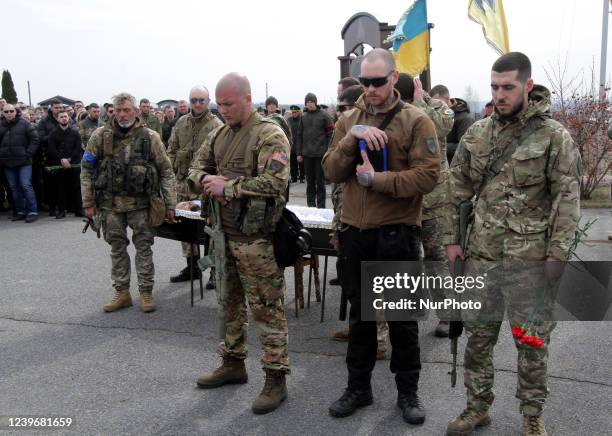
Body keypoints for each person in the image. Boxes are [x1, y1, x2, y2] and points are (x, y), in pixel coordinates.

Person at [443, 52, 581, 436]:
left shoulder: (554, 137)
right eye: (494, 87)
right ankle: (476, 407)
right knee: (478, 339)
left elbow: (566, 200)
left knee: (532, 342)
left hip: (530, 262)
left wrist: (558, 254)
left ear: (528, 86)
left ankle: (532, 416)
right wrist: (453, 241)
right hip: (482, 258)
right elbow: (456, 191)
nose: (500, 95)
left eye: (508, 87)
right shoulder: (477, 133)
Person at [322, 48, 440, 425]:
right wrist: (349, 137)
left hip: (396, 234)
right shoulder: (348, 119)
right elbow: (331, 171)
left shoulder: (416, 121)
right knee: (360, 319)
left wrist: (380, 181)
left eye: (377, 81)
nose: (370, 89)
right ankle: (359, 388)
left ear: (393, 78)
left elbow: (428, 176)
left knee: (402, 321)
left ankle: (408, 392)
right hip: (357, 234)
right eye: (365, 82)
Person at [188, 72, 291, 415]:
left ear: (248, 99)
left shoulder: (269, 134)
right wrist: (207, 179)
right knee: (229, 302)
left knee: (266, 308)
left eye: (229, 103)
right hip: (224, 234)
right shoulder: (218, 133)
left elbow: (274, 182)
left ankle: (276, 377)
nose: (223, 109)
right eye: (220, 104)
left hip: (257, 240)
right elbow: (193, 170)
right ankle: (232, 361)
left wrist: (226, 187)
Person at [80, 92, 177, 313]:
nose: (122, 114)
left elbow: (166, 172)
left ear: (135, 111)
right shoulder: (99, 136)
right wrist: (87, 202)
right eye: (118, 110)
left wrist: (170, 204)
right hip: (110, 205)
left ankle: (145, 292)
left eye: (127, 110)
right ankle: (122, 292)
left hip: (141, 205)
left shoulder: (150, 137)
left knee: (144, 248)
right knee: (117, 249)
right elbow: (86, 170)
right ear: (112, 111)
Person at [396, 73, 455, 338]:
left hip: (433, 201)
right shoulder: (393, 111)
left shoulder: (436, 107)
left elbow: (442, 127)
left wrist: (419, 102)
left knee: (435, 259)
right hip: (403, 201)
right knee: (407, 259)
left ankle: (447, 316)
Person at [167, 85, 222, 284]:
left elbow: (220, 158)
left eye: (201, 100)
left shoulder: (216, 125)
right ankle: (192, 267)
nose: (197, 104)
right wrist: (172, 172)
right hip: (182, 185)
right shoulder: (181, 123)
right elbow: (171, 149)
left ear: (208, 102)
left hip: (204, 187)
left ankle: (215, 272)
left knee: (210, 231)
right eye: (194, 100)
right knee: (186, 229)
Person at [0, 104, 40, 222]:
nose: (9, 113)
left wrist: (28, 153)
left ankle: (32, 211)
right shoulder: (0, 125)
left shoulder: (25, 123)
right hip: (7, 162)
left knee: (25, 185)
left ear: (15, 111)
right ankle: (20, 211)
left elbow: (35, 139)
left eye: (11, 111)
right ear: (2, 113)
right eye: (6, 111)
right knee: (13, 188)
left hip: (24, 161)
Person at [297, 92, 334, 208]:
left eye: (311, 102)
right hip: (307, 154)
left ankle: (321, 207)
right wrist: (299, 153)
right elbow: (299, 136)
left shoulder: (324, 115)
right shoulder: (303, 117)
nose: (310, 104)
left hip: (320, 154)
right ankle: (311, 206)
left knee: (320, 182)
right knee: (310, 182)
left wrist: (328, 150)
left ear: (315, 102)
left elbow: (331, 134)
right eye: (307, 102)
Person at [47, 110, 83, 218]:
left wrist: (70, 159)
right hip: (59, 164)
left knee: (76, 187)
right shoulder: (53, 134)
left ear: (69, 118)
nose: (64, 118)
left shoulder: (75, 133)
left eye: (65, 116)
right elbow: (51, 149)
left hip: (73, 164)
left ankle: (78, 209)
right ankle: (62, 210)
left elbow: (78, 148)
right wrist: (61, 159)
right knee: (60, 188)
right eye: (61, 117)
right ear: (58, 119)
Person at [287, 105, 304, 183]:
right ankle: (294, 177)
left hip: (300, 143)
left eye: (295, 112)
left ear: (299, 112)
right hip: (292, 144)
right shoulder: (289, 120)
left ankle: (302, 177)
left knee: (301, 162)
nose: (294, 114)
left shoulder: (302, 120)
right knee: (292, 162)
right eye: (293, 112)